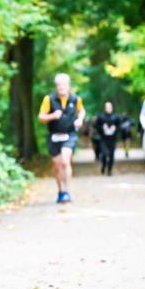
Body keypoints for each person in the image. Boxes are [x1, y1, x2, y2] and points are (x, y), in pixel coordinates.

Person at [37, 74, 85, 203]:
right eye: (59, 85)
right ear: (56, 87)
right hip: (54, 135)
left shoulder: (75, 99)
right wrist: (52, 116)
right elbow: (41, 117)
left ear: (68, 86)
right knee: (57, 165)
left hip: (70, 134)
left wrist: (80, 120)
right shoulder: (49, 99)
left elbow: (81, 110)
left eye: (63, 85)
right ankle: (60, 191)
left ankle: (67, 191)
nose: (61, 87)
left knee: (65, 161)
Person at [94, 100, 121, 176]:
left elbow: (120, 127)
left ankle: (109, 170)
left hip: (113, 139)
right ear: (105, 108)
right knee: (104, 154)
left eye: (110, 107)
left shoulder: (116, 117)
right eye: (107, 107)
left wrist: (115, 128)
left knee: (112, 155)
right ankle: (103, 166)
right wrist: (102, 127)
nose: (108, 108)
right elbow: (96, 126)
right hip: (103, 139)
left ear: (112, 108)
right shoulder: (101, 117)